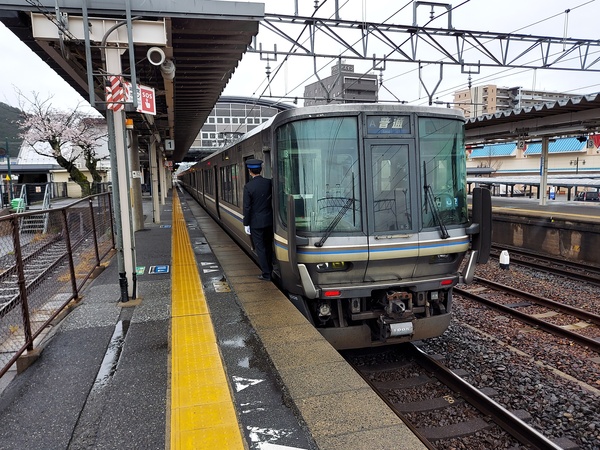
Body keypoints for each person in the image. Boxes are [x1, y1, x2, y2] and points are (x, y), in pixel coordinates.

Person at [243, 159, 274, 281]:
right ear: (260, 169)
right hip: (269, 220)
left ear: (250, 171)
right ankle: (271, 266)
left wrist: (246, 223)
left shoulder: (248, 187)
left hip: (256, 222)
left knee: (260, 248)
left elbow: (247, 207)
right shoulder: (269, 183)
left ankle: (267, 274)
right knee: (268, 245)